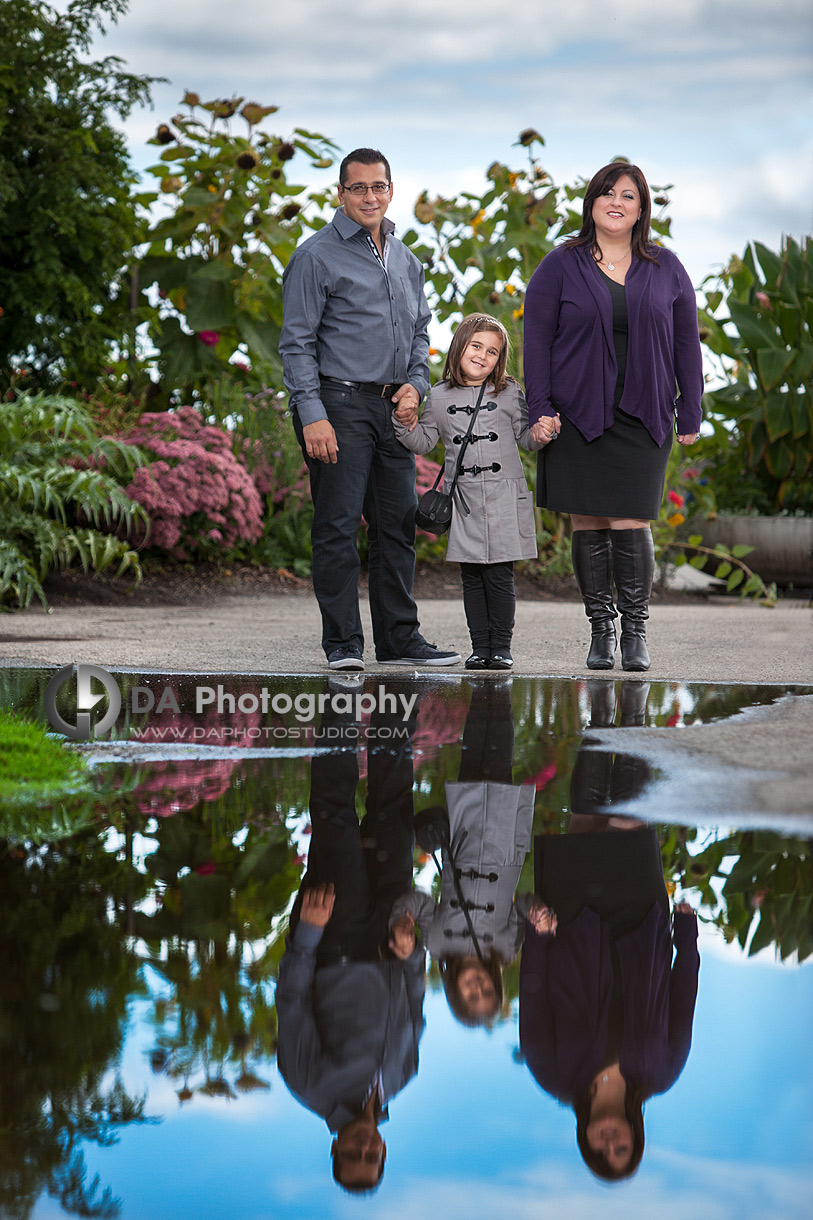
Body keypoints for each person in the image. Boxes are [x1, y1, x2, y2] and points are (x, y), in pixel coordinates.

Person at [280, 147, 461, 671]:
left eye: (378, 186)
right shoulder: (315, 256)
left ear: (390, 189)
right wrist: (311, 412)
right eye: (357, 188)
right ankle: (342, 646)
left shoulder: (406, 260)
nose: (369, 196)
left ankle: (400, 640)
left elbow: (421, 332)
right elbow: (296, 342)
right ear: (341, 194)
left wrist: (416, 385)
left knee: (397, 525)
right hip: (336, 406)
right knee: (337, 526)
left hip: (393, 411)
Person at [523, 162, 703, 672]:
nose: (616, 201)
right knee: (588, 519)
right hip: (577, 412)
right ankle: (601, 631)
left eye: (628, 194)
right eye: (607, 192)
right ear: (592, 203)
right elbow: (536, 343)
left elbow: (687, 342)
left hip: (644, 411)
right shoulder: (560, 265)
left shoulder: (666, 266)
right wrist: (540, 407)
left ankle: (635, 633)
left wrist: (690, 407)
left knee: (630, 518)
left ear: (641, 207)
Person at [519, 696, 700, 1181]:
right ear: (635, 1136)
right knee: (628, 820)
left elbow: (532, 1001)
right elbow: (683, 998)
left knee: (587, 820)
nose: (611, 1141)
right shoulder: (662, 1073)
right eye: (623, 1147)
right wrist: (686, 935)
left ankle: (603, 713)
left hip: (573, 929)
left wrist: (536, 937)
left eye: (603, 1150)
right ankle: (634, 714)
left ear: (587, 1142)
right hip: (641, 925)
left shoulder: (553, 1076)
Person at [275, 685, 426, 1193]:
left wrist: (308, 935)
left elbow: (292, 1001)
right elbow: (415, 1001)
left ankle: (339, 700)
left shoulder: (307, 1085)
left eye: (353, 1155)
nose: (364, 1147)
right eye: (372, 1156)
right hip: (388, 928)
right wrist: (411, 954)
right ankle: (395, 696)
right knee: (392, 809)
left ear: (335, 1148)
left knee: (335, 816)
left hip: (333, 932)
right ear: (383, 1151)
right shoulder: (404, 1077)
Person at [393, 314, 543, 670]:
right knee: (472, 577)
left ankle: (501, 648)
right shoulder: (439, 395)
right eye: (476, 346)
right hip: (463, 500)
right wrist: (403, 424)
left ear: (498, 359)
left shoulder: (508, 391)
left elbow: (525, 437)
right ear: (460, 345)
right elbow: (424, 441)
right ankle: (479, 647)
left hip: (505, 497)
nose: (482, 355)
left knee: (500, 574)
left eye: (491, 351)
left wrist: (542, 433)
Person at [389, 679, 535, 1026]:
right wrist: (538, 912)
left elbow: (417, 901)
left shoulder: (437, 944)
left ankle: (483, 686)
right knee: (500, 756)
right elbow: (525, 904)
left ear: (455, 990)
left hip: (465, 839)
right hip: (503, 846)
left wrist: (399, 921)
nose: (478, 986)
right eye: (487, 991)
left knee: (472, 758)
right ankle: (499, 686)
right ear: (496, 984)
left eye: (472, 995)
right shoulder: (508, 948)